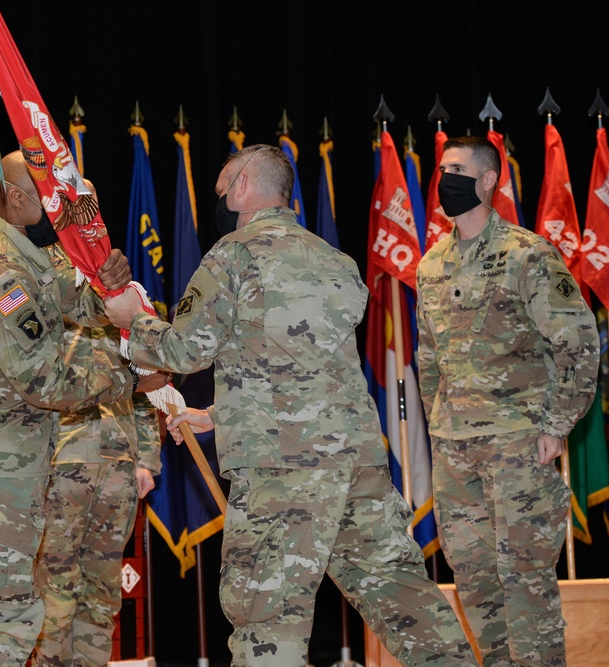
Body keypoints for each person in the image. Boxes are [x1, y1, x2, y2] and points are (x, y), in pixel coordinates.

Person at [104, 144, 477, 667]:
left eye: (220, 190)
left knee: (267, 620)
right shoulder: (337, 262)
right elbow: (300, 366)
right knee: (407, 603)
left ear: (241, 189)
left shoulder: (233, 255)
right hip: (356, 462)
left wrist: (130, 319)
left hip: (281, 472)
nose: (219, 203)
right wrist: (220, 414)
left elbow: (184, 351)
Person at [0, 149, 167, 666]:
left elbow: (69, 297)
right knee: (2, 618)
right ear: (17, 196)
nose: (58, 207)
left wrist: (107, 285)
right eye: (47, 196)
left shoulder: (25, 256)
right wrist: (134, 381)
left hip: (1, 463)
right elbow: (44, 380)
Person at [415, 135, 599, 667]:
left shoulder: (528, 254)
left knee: (524, 578)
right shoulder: (430, 265)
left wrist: (555, 423)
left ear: (489, 179)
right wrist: (438, 428)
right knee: (474, 580)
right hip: (455, 449)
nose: (445, 178)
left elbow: (578, 343)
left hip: (519, 444)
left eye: (457, 168)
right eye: (441, 168)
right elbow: (430, 359)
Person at [35, 318, 162, 667]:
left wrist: (147, 458)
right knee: (56, 582)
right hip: (62, 460)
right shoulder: (54, 302)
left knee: (104, 587)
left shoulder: (122, 316)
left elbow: (143, 385)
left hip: (118, 465)